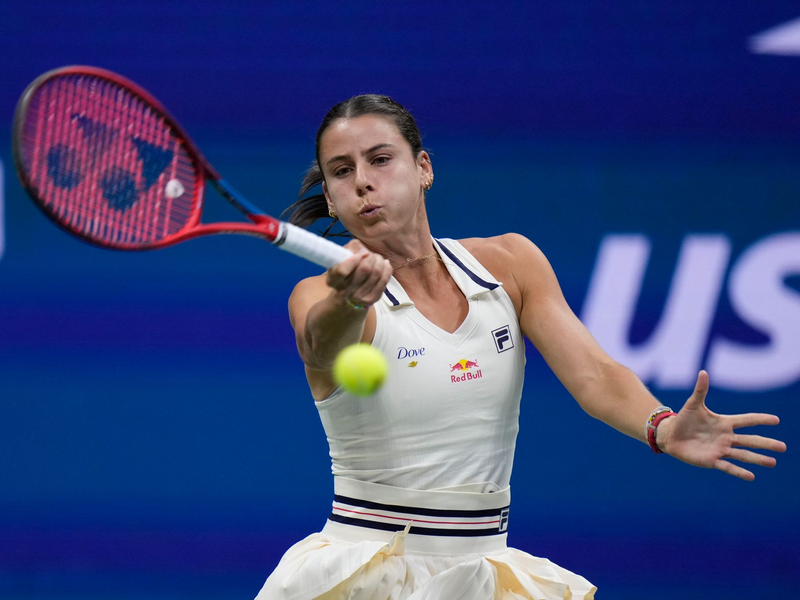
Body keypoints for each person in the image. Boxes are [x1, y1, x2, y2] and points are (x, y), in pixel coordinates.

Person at [255, 95, 786, 600]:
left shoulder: (510, 264)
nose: (364, 182)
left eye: (380, 159)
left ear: (423, 169)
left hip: (481, 570)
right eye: (342, 171)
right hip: (362, 574)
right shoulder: (320, 293)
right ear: (330, 196)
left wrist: (662, 426)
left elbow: (594, 374)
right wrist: (348, 300)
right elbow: (320, 347)